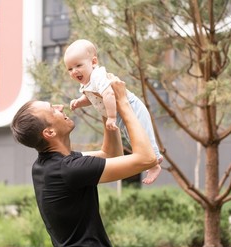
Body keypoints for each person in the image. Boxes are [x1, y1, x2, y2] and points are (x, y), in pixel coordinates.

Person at [10, 76, 156, 247]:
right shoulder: (69, 169)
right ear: (49, 132)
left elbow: (111, 155)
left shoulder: (48, 165)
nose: (60, 107)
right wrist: (123, 103)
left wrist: (104, 105)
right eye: (52, 110)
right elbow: (147, 159)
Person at [64, 39, 162, 184]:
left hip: (131, 107)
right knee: (132, 138)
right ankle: (154, 161)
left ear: (93, 62)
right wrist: (79, 102)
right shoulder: (86, 82)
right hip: (121, 113)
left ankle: (155, 161)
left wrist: (110, 117)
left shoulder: (97, 76)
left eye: (78, 65)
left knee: (143, 134)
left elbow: (108, 94)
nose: (74, 71)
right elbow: (90, 97)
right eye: (70, 69)